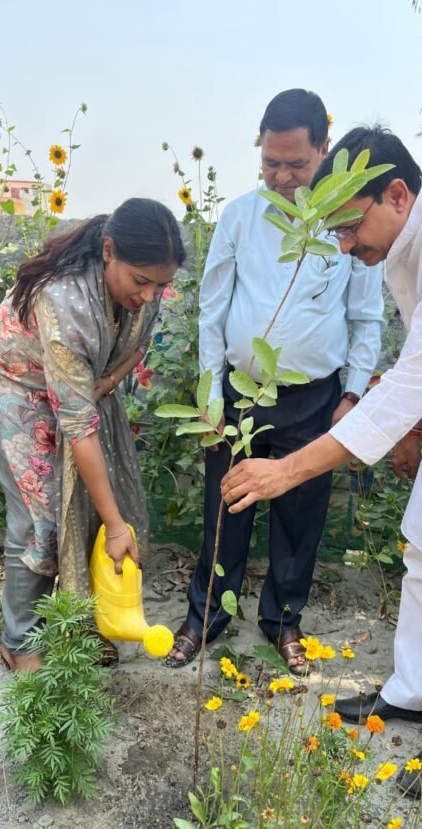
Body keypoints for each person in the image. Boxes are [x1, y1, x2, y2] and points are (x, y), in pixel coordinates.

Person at [221, 126, 422, 795]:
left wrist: (285, 471)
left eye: (350, 228)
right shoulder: (405, 239)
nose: (346, 247)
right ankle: (411, 691)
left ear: (396, 195)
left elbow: (416, 377)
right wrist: (413, 424)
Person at [166, 90, 384, 673]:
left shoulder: (347, 226)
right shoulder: (240, 217)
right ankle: (204, 616)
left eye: (296, 164)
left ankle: (284, 620)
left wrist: (352, 395)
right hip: (239, 395)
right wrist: (210, 396)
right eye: (271, 163)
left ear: (324, 151)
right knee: (225, 506)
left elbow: (366, 319)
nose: (282, 177)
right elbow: (212, 311)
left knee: (301, 516)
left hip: (315, 399)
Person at [0, 199, 185, 672]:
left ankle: (81, 624)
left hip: (81, 387)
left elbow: (138, 344)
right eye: (140, 281)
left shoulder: (143, 292)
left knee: (96, 508)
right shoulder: (63, 301)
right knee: (40, 520)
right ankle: (20, 642)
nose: (150, 295)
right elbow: (79, 427)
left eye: (161, 284)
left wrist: (107, 382)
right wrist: (117, 526)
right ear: (109, 251)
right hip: (14, 384)